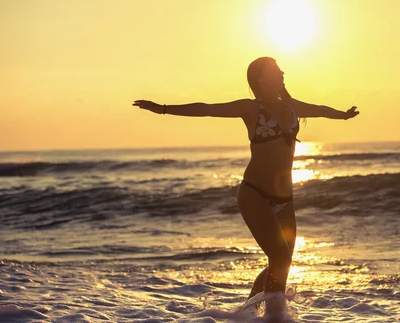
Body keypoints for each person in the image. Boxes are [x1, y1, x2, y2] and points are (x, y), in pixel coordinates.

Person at [133, 56, 359, 318]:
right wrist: (162, 108)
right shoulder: (250, 109)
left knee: (280, 262)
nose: (283, 72)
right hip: (254, 195)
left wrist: (343, 115)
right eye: (276, 70)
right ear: (261, 78)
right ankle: (273, 318)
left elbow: (319, 108)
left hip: (285, 200)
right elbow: (207, 108)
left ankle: (247, 314)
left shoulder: (292, 107)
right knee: (281, 260)